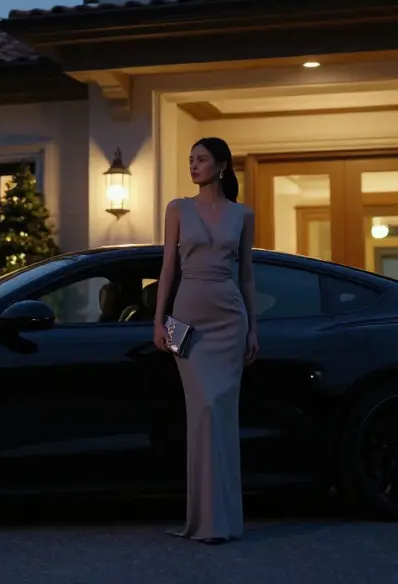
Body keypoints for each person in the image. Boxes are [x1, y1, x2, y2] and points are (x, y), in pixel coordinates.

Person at [153, 136, 258, 545]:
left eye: (201, 159)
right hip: (188, 323)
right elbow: (167, 269)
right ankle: (203, 519)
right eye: (190, 159)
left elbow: (247, 275)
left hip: (230, 321)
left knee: (222, 416)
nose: (193, 166)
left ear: (222, 165)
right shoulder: (177, 208)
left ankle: (223, 520)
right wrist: (159, 322)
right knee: (203, 412)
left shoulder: (243, 214)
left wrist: (253, 328)